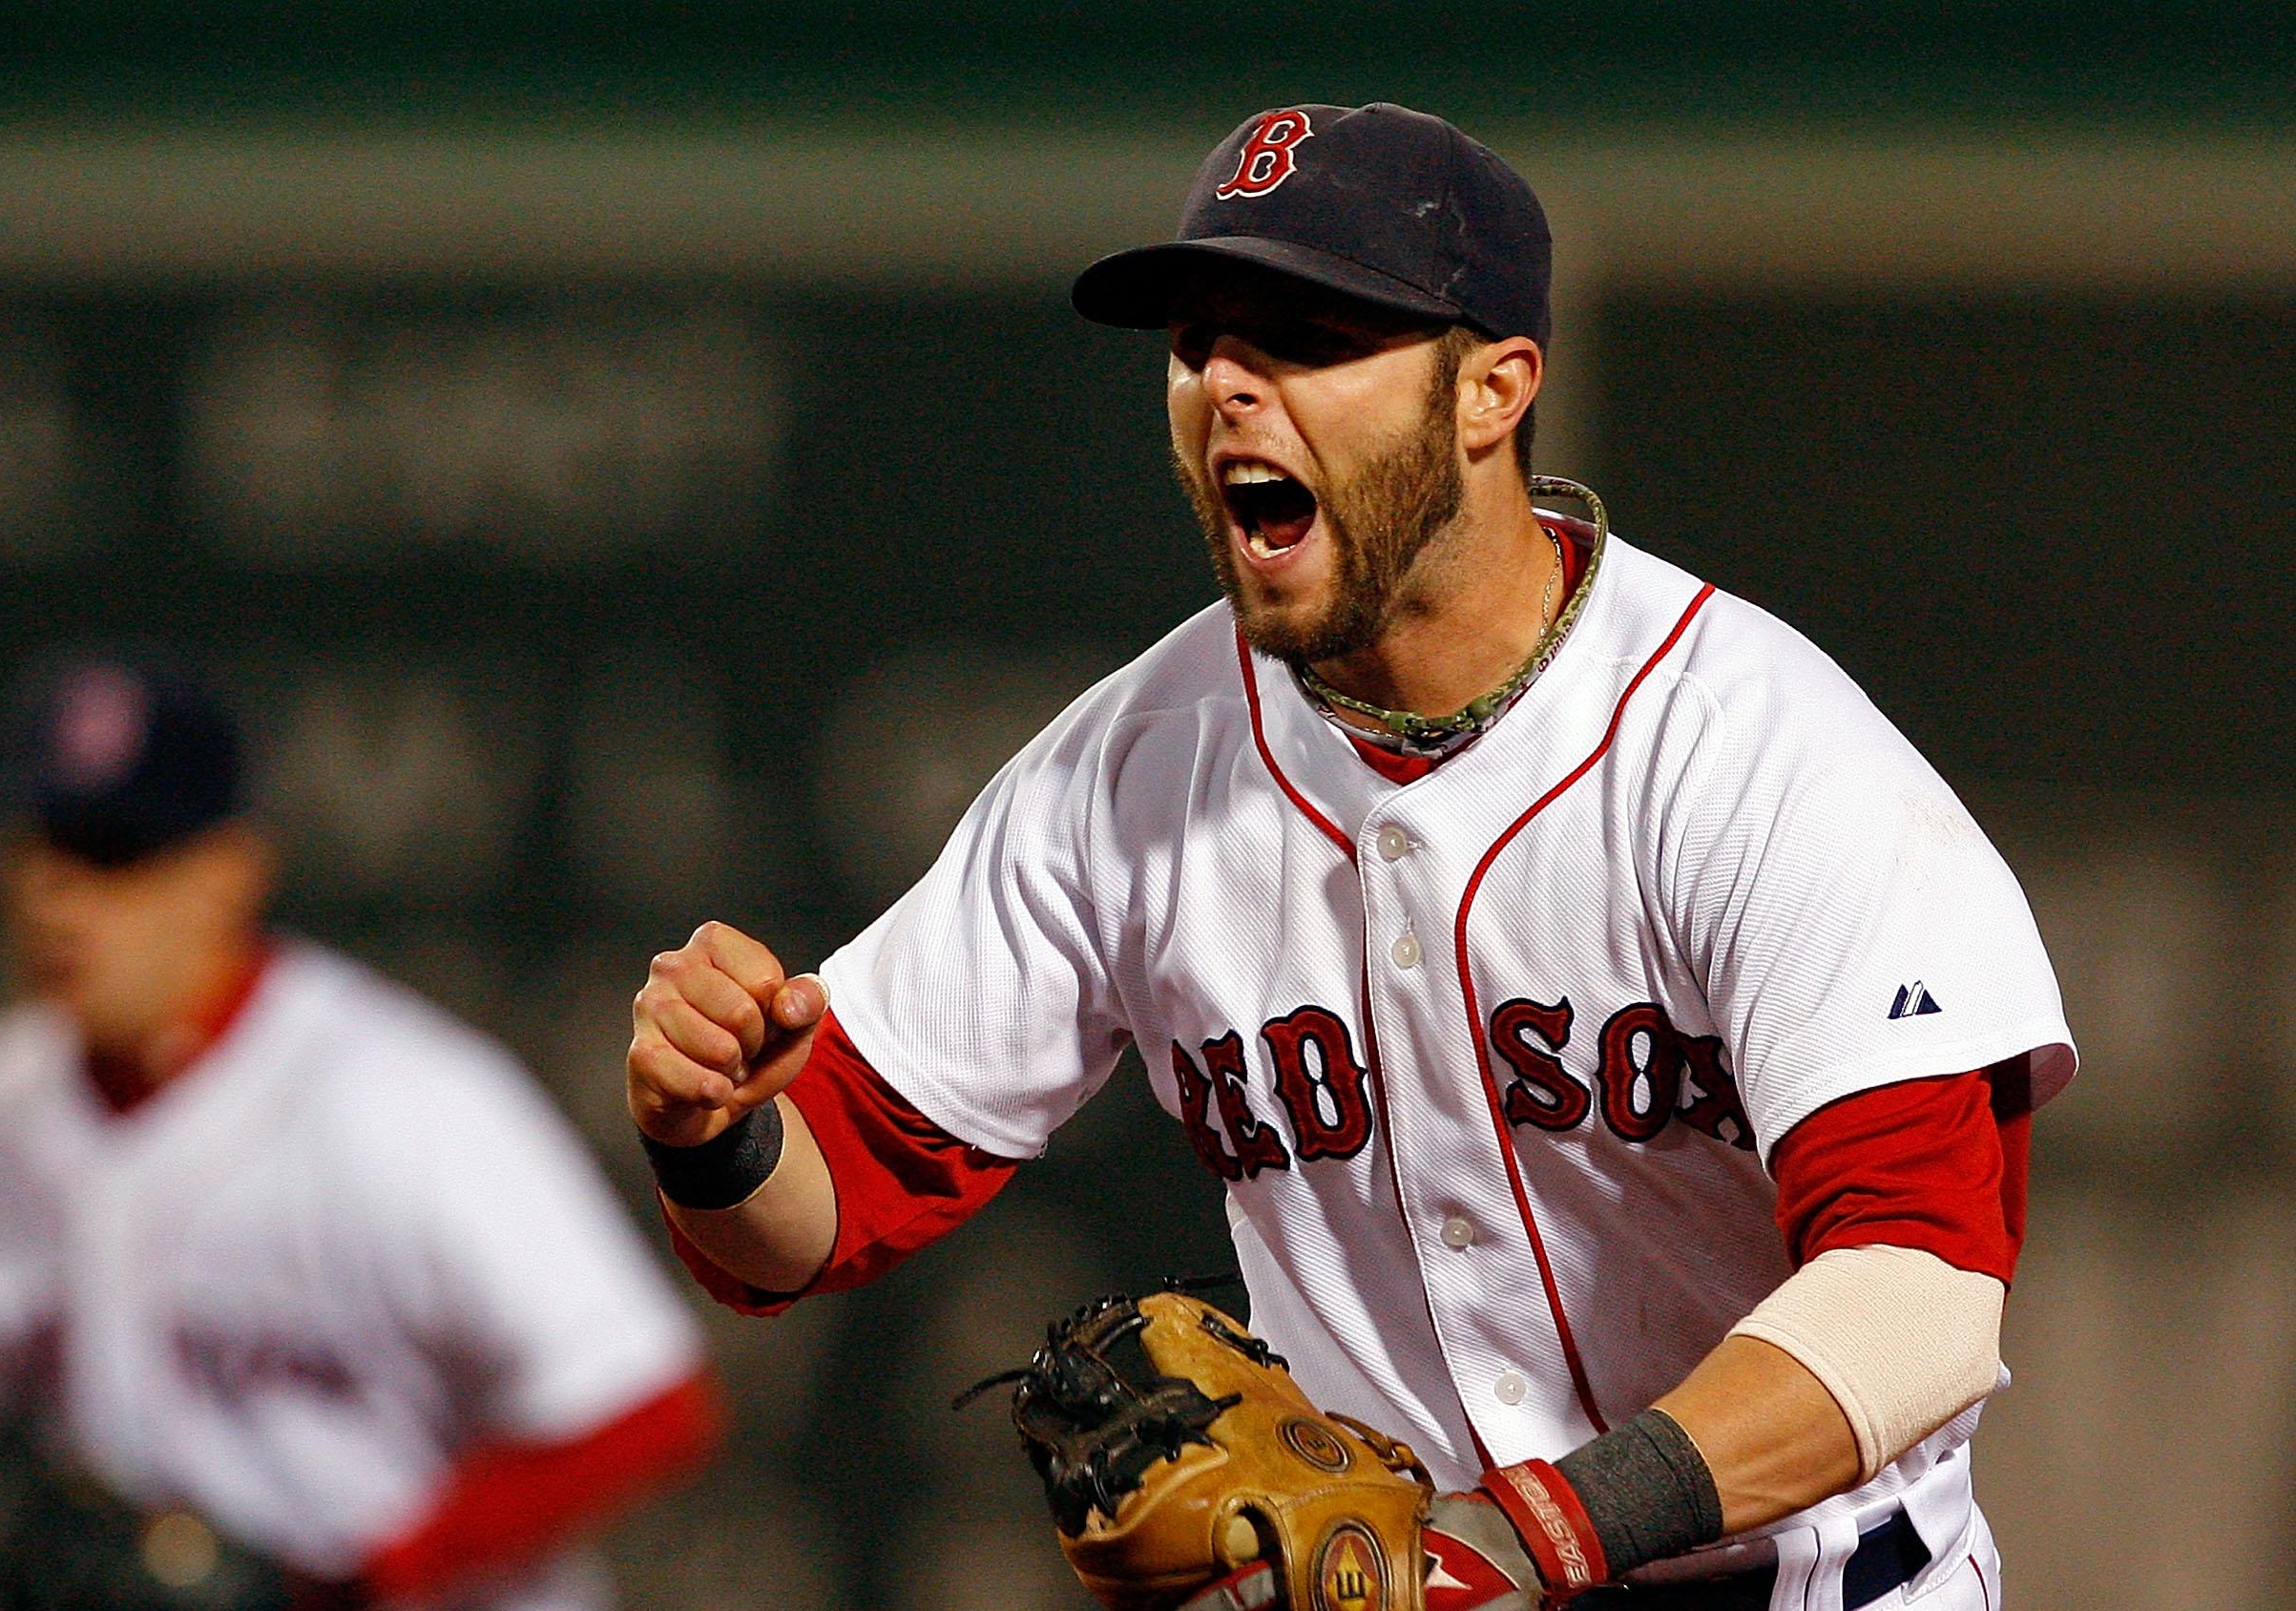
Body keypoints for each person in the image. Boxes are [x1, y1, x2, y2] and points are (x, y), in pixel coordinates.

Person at [625, 104, 2069, 1610]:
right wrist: (713, 1133)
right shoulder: (1130, 770)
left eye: (1308, 338)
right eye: (1198, 343)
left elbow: (1920, 1303)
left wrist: (1520, 1542)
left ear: (1492, 390)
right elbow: (819, 1208)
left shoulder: (1750, 751)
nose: (1229, 385)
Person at [0, 650, 718, 1611]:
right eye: (40, 844)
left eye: (115, 854)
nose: (61, 897)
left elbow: (644, 1402)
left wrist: (362, 1575)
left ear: (229, 873)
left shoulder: (401, 1102)